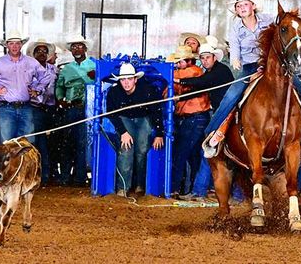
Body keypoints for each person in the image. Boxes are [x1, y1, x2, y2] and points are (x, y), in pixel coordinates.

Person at [203, 0, 301, 158]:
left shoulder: (268, 20)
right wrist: (235, 59)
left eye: (245, 4)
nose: (242, 7)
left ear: (253, 6)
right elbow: (234, 47)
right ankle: (212, 133)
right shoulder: (236, 27)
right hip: (249, 67)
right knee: (231, 96)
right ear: (236, 10)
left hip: (273, 66)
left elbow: (282, 28)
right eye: (239, 5)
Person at [174, 42, 234, 201]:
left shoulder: (220, 71)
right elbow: (200, 88)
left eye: (207, 57)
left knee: (208, 150)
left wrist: (180, 83)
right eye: (203, 58)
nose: (205, 60)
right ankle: (205, 190)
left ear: (214, 57)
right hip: (219, 113)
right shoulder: (211, 72)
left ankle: (200, 191)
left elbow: (201, 83)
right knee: (211, 151)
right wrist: (181, 97)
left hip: (225, 114)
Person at [106, 63, 164, 197]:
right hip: (124, 119)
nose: (126, 83)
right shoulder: (114, 93)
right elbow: (111, 113)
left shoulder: (148, 90)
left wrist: (159, 133)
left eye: (129, 79)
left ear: (135, 79)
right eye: (123, 79)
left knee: (142, 150)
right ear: (119, 81)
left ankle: (140, 184)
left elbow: (156, 111)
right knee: (126, 150)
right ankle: (123, 187)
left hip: (144, 118)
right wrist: (123, 132)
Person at [0, 30, 52, 143]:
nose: (15, 46)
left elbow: (46, 77)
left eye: (17, 43)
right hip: (6, 108)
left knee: (27, 144)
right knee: (7, 144)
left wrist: (38, 90)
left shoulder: (31, 62)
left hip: (26, 107)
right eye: (11, 43)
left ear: (21, 44)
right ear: (7, 45)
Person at [170, 45, 211, 197]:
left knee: (181, 153)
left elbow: (175, 83)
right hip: (195, 118)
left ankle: (174, 188)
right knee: (193, 155)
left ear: (188, 60)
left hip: (194, 118)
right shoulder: (189, 73)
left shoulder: (193, 71)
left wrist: (169, 75)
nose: (177, 65)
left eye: (179, 62)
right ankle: (193, 189)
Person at [55, 34, 96, 186]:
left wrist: (95, 77)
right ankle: (65, 176)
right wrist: (60, 100)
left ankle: (80, 177)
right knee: (66, 143)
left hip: (87, 109)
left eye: (79, 46)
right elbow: (59, 86)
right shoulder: (67, 69)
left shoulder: (94, 66)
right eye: (74, 47)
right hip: (70, 109)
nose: (77, 49)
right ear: (71, 51)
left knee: (82, 143)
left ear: (85, 48)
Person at [27, 38, 58, 183]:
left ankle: (50, 174)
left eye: (44, 51)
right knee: (38, 142)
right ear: (33, 54)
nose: (41, 53)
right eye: (38, 51)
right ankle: (40, 176)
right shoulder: (28, 70)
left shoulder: (54, 70)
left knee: (53, 143)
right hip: (35, 109)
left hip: (51, 109)